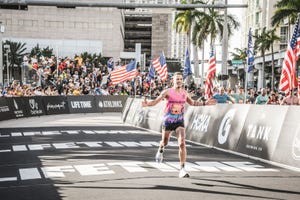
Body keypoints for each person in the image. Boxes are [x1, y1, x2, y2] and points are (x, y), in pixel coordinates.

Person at [142, 72, 215, 178]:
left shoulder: (185, 93)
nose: (179, 81)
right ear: (173, 81)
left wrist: (205, 103)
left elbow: (193, 103)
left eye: (181, 79)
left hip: (179, 122)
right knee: (165, 142)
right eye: (177, 79)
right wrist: (147, 104)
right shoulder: (167, 92)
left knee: (182, 144)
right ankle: (161, 148)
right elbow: (155, 102)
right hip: (168, 121)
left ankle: (182, 169)